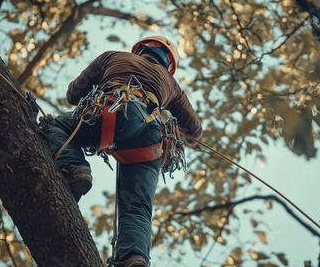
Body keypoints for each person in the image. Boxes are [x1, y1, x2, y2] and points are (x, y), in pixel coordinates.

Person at [42, 36, 202, 267]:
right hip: (151, 137)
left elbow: (72, 95)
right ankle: (133, 258)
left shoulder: (112, 57)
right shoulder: (171, 84)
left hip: (112, 107)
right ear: (168, 65)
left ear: (139, 50)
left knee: (54, 125)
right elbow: (195, 132)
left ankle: (74, 167)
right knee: (138, 206)